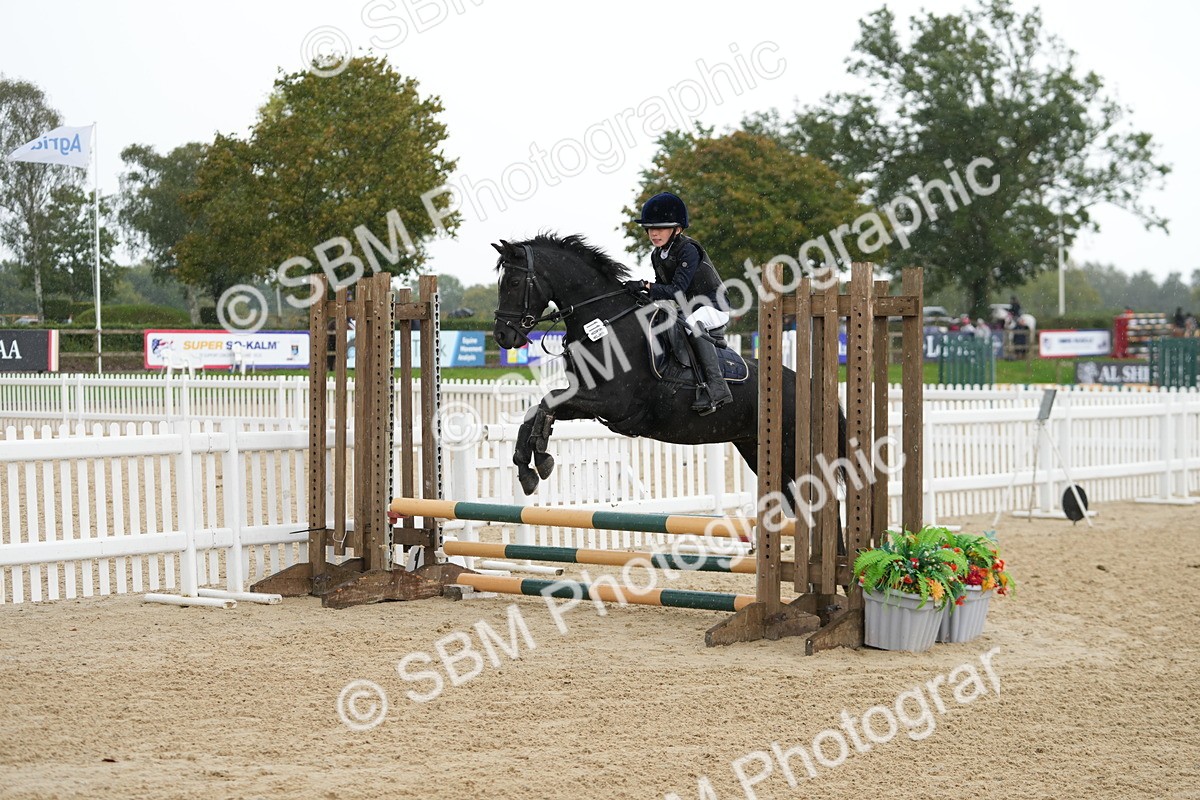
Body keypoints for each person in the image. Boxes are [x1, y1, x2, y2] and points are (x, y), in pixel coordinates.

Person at [625, 192, 732, 414]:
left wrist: (646, 286)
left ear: (677, 229)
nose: (654, 233)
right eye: (650, 228)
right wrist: (641, 293)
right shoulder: (657, 255)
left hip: (714, 306)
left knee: (693, 322)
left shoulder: (688, 249)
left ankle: (717, 386)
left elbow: (675, 290)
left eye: (661, 228)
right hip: (687, 309)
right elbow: (661, 289)